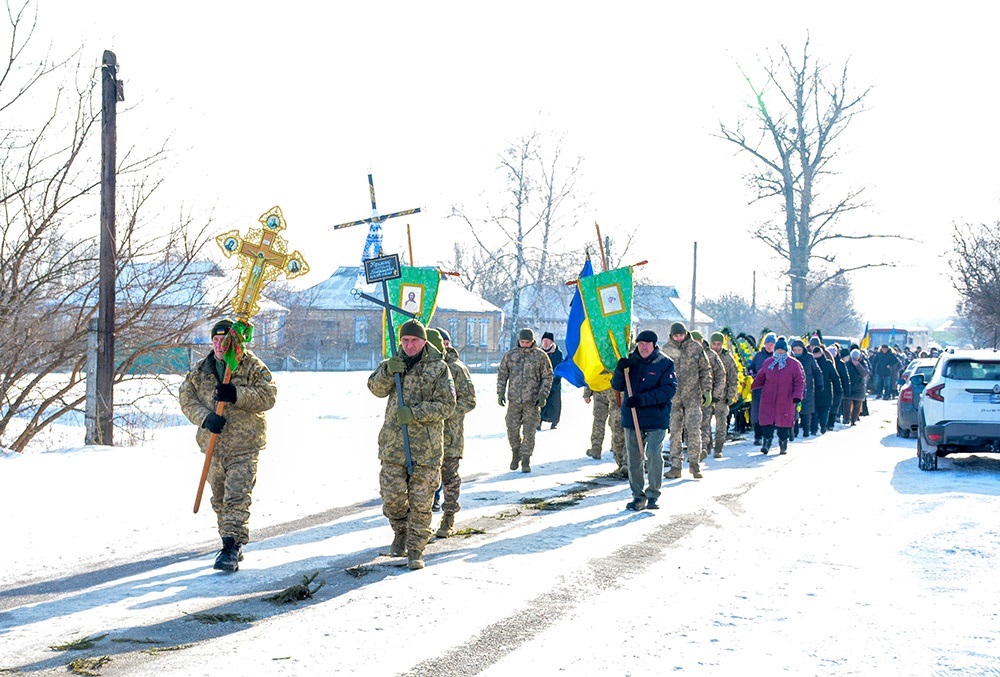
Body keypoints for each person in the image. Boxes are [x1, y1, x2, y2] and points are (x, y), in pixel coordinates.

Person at [179, 319, 277, 572]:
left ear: (234, 342)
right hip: (213, 446)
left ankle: (231, 547)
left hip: (244, 445)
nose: (219, 345)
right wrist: (205, 418)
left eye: (224, 340)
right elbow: (186, 397)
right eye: (215, 340)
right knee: (220, 498)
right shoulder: (202, 369)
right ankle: (228, 540)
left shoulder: (251, 365)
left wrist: (236, 394)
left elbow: (269, 396)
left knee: (236, 497)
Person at [367, 319, 456, 570]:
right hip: (393, 446)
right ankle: (400, 531)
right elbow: (375, 388)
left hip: (426, 449)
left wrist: (415, 413)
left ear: (424, 341)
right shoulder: (393, 363)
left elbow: (447, 405)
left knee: (421, 503)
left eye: (414, 340)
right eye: (405, 340)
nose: (409, 345)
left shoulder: (439, 368)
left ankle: (416, 550)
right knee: (392, 497)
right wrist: (387, 372)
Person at [611, 329, 676, 510]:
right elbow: (617, 385)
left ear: (654, 345)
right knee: (633, 458)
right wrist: (619, 370)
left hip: (656, 417)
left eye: (647, 344)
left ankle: (653, 494)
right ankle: (638, 496)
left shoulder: (665, 363)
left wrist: (641, 399)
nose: (643, 347)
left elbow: (668, 390)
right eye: (640, 344)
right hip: (632, 417)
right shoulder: (630, 362)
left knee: (654, 454)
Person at [423, 328, 477, 539]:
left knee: (449, 478)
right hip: (425, 436)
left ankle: (448, 517)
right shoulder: (422, 367)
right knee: (424, 480)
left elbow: (470, 401)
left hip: (450, 435)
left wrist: (444, 410)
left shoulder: (457, 368)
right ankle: (422, 523)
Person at [497, 328, 553, 473]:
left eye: (527, 342)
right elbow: (502, 374)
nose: (525, 344)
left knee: (529, 431)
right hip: (514, 400)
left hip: (532, 401)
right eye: (522, 342)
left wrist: (543, 395)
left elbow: (547, 376)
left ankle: (526, 459)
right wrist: (500, 392)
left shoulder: (540, 356)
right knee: (512, 428)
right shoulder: (511, 355)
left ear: (532, 341)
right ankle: (516, 452)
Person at [662, 322, 712, 479]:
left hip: (692, 397)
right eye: (676, 336)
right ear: (671, 336)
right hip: (673, 398)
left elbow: (705, 370)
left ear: (686, 334)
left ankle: (694, 464)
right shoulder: (666, 350)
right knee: (675, 432)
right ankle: (676, 466)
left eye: (681, 335)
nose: (679, 338)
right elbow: (659, 373)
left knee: (693, 430)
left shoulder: (695, 348)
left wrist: (707, 390)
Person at [751, 336, 805, 455]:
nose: (780, 352)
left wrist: (797, 395)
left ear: (786, 351)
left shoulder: (793, 364)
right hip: (768, 398)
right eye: (778, 350)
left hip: (785, 399)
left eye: (782, 350)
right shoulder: (768, 363)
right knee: (767, 422)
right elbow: (761, 376)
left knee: (783, 424)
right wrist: (751, 385)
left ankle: (783, 443)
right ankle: (766, 443)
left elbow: (799, 381)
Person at [694, 330, 726, 461]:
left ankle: (705, 449)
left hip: (708, 396)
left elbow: (721, 376)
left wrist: (716, 395)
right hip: (691, 397)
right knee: (693, 425)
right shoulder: (687, 354)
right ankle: (700, 448)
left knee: (706, 423)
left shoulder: (711, 355)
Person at [707, 331, 740, 458]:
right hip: (708, 394)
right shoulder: (706, 355)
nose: (716, 346)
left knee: (721, 423)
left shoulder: (727, 358)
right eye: (714, 344)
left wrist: (731, 395)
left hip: (722, 395)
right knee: (705, 422)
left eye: (718, 344)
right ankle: (707, 445)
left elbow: (733, 378)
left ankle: (718, 447)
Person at [583, 384, 627, 477]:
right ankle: (616, 449)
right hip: (615, 390)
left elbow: (590, 375)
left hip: (599, 389)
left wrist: (587, 393)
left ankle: (596, 447)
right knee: (616, 421)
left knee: (599, 420)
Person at [790, 339, 823, 438]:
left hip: (807, 388)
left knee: (806, 412)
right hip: (793, 388)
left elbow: (817, 371)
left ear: (803, 349)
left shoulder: (809, 358)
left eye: (799, 350)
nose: (797, 352)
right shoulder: (790, 359)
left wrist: (819, 383)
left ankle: (806, 430)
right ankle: (794, 431)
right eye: (795, 350)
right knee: (793, 410)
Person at [749, 333, 777, 445]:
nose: (769, 346)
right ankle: (758, 437)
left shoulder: (777, 357)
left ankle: (767, 437)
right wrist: (752, 373)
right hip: (759, 389)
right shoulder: (758, 356)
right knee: (758, 413)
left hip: (772, 390)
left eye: (772, 344)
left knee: (769, 414)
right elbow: (751, 368)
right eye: (767, 343)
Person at [813, 344, 840, 434]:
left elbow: (835, 377)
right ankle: (814, 429)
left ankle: (823, 426)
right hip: (815, 392)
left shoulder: (827, 363)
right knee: (815, 412)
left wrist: (838, 389)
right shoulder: (812, 363)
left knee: (824, 412)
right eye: (815, 353)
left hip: (826, 392)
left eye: (818, 353)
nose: (817, 355)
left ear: (821, 353)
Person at [538, 331, 563, 430]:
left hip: (554, 382)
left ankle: (554, 422)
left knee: (554, 403)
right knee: (540, 402)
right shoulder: (539, 352)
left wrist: (557, 379)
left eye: (547, 340)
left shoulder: (557, 353)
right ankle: (538, 421)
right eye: (544, 340)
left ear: (552, 342)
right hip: (541, 382)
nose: (545, 342)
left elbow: (559, 367)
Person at [843, 348, 870, 426]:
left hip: (859, 387)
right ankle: (846, 419)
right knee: (847, 404)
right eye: (853, 358)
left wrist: (857, 365)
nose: (854, 359)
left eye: (856, 358)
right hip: (849, 386)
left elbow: (865, 373)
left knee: (857, 405)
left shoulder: (863, 363)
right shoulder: (847, 364)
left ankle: (853, 420)